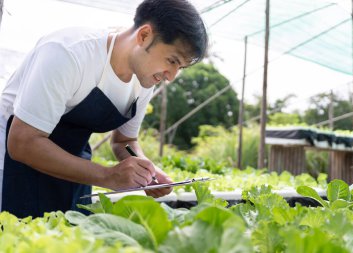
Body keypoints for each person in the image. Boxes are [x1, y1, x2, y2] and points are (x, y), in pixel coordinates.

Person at [0, 0, 208, 218]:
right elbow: (22, 142)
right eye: (172, 60)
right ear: (144, 35)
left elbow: (124, 142)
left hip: (73, 167)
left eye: (180, 67)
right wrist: (108, 176)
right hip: (11, 165)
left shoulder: (145, 78)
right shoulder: (69, 53)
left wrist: (147, 173)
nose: (171, 77)